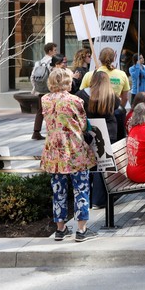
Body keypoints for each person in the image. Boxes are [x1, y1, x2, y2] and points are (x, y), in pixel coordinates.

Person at [40, 68, 99, 242]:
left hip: (53, 151)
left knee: (58, 190)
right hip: (74, 149)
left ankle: (60, 229)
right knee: (81, 188)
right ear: (68, 81)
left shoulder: (45, 100)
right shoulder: (76, 100)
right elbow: (82, 125)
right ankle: (81, 230)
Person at [77, 70, 121, 209]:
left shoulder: (81, 95)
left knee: (93, 165)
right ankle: (99, 199)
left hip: (89, 132)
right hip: (108, 132)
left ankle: (92, 198)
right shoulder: (111, 97)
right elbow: (117, 107)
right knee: (103, 165)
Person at [80, 47, 131, 138]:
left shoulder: (89, 75)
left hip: (91, 118)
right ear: (114, 58)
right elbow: (125, 98)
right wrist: (117, 109)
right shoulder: (122, 75)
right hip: (112, 116)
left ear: (99, 58)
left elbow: (80, 97)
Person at [31, 42, 58, 140]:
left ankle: (36, 132)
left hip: (41, 91)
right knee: (52, 111)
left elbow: (32, 77)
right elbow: (55, 75)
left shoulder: (38, 62)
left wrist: (35, 88)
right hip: (50, 91)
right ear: (50, 51)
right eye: (55, 50)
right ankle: (52, 132)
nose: (56, 52)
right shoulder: (52, 61)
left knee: (40, 111)